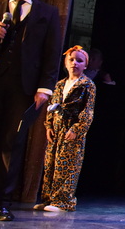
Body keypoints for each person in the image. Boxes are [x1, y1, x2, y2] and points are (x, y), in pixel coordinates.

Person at [0, 0, 62, 222]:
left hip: (23, 89)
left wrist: (45, 88)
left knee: (11, 143)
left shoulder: (48, 13)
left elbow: (52, 53)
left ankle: (2, 203)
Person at [35, 46, 96, 212]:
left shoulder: (87, 85)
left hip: (71, 129)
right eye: (71, 59)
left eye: (79, 61)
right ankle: (48, 199)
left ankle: (63, 202)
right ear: (65, 63)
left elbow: (88, 111)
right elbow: (52, 105)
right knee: (51, 164)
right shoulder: (60, 84)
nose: (75, 63)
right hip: (57, 127)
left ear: (85, 65)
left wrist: (77, 129)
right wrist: (48, 126)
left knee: (68, 166)